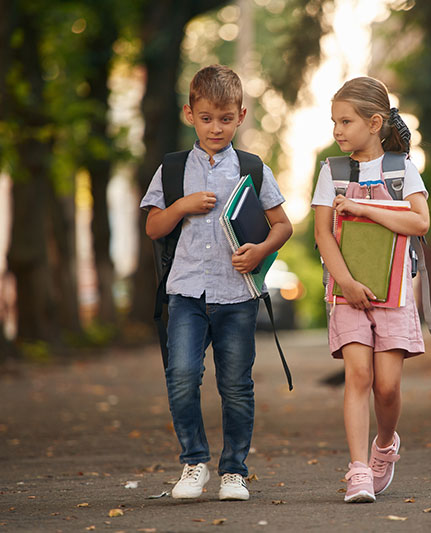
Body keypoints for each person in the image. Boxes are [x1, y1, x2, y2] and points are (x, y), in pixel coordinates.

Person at [140, 64, 292, 501]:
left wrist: (261, 250)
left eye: (226, 118)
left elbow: (282, 225)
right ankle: (193, 464)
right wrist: (183, 205)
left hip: (236, 295)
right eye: (206, 118)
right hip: (185, 291)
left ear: (241, 116)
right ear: (190, 114)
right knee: (182, 376)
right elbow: (153, 228)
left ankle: (234, 472)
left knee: (236, 385)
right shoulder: (171, 169)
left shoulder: (252, 167)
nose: (216, 127)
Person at [311, 77, 429, 503]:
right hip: (347, 292)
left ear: (375, 122)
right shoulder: (333, 172)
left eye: (346, 121)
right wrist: (345, 282)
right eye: (334, 122)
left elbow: (420, 222)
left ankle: (384, 445)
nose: (338, 130)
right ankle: (358, 469)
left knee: (388, 387)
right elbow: (324, 234)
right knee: (358, 375)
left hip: (394, 294)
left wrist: (363, 208)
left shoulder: (401, 170)